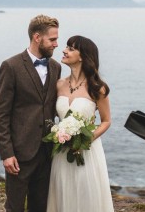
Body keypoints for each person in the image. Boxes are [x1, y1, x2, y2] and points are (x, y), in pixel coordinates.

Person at [0, 14, 62, 212]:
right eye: (52, 39)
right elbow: (1, 114)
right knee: (14, 207)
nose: (56, 44)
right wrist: (7, 154)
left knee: (40, 206)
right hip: (20, 154)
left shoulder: (56, 67)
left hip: (47, 152)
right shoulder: (11, 66)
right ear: (37, 37)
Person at [47, 35, 114, 212]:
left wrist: (86, 139)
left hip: (87, 151)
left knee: (86, 196)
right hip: (62, 152)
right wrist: (60, 134)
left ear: (83, 56)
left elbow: (106, 121)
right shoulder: (59, 84)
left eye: (70, 48)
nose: (64, 50)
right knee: (63, 193)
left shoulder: (97, 88)